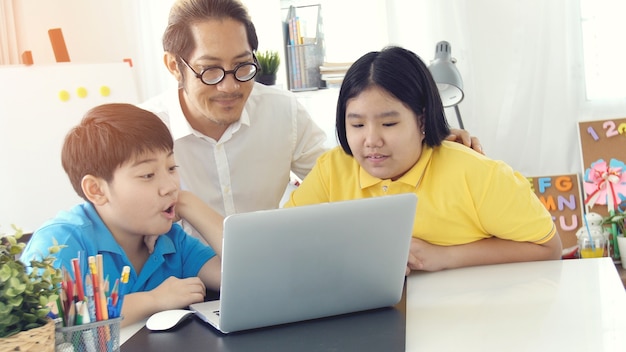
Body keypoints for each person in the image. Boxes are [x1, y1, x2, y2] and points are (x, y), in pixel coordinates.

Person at [139, 0, 483, 239]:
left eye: (243, 66)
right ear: (174, 66)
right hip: (183, 286)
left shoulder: (281, 111)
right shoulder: (145, 131)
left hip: (275, 272)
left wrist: (427, 141)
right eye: (210, 70)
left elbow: (348, 176)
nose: (231, 86)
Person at [284, 46, 562, 274]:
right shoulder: (332, 169)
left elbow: (548, 248)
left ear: (422, 119)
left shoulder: (477, 173)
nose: (371, 140)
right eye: (356, 125)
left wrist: (444, 257)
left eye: (389, 123)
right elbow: (285, 241)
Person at [21, 103, 224, 327]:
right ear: (97, 190)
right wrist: (153, 300)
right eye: (148, 175)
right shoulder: (60, 241)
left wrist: (189, 203)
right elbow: (50, 320)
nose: (170, 186)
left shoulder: (171, 239)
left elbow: (247, 278)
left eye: (172, 168)